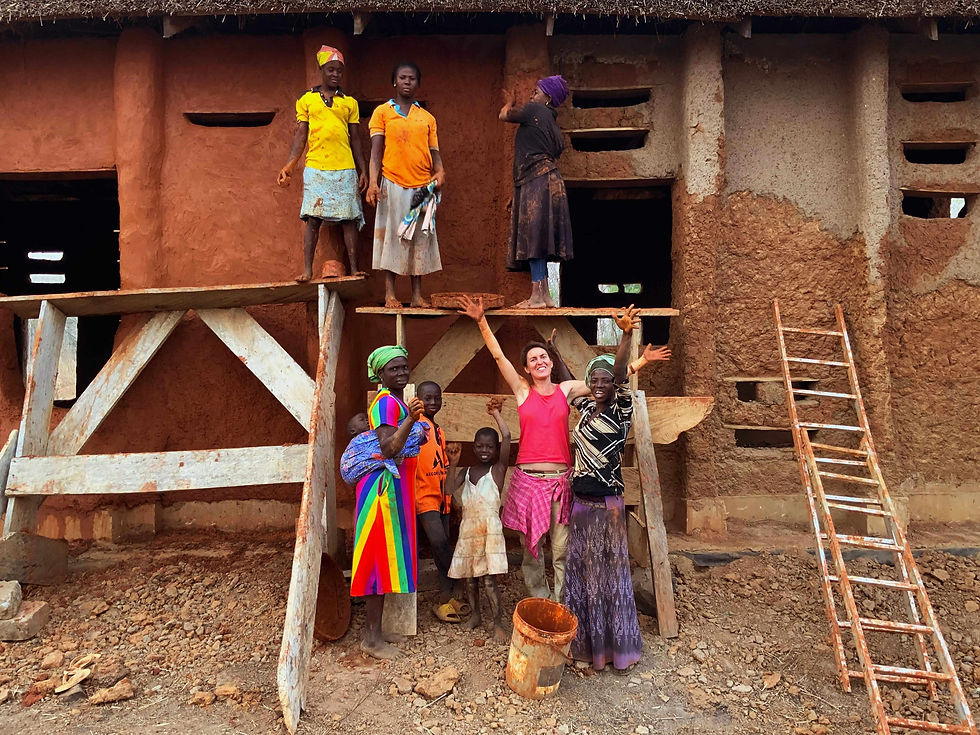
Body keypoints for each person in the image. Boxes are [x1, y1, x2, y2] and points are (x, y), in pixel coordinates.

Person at [459, 294, 591, 602]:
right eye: (533, 359)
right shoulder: (522, 392)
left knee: (560, 550)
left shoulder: (565, 390)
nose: (540, 361)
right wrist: (481, 321)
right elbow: (498, 357)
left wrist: (632, 358)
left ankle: (561, 605)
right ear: (527, 369)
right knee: (532, 552)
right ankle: (538, 602)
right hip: (528, 482)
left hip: (560, 482)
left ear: (552, 362)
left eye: (544, 357)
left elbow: (601, 382)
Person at [562, 306, 671, 673]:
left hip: (606, 505)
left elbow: (622, 372)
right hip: (580, 504)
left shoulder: (620, 408)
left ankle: (615, 652)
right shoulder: (586, 409)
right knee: (584, 577)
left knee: (608, 579)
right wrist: (555, 352)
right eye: (595, 379)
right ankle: (587, 649)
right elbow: (569, 385)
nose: (600, 384)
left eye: (605, 380)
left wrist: (625, 337)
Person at [350, 345, 424, 659]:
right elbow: (390, 447)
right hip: (381, 491)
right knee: (376, 561)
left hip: (392, 488)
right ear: (380, 374)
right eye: (394, 369)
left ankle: (378, 632)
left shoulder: (395, 401)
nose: (401, 373)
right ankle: (371, 638)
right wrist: (413, 420)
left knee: (387, 559)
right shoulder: (384, 404)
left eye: (404, 367)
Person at [278, 45, 368, 281]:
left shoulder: (349, 103)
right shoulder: (307, 100)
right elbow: (300, 135)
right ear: (321, 70)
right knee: (313, 218)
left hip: (345, 167)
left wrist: (363, 170)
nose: (335, 74)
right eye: (331, 70)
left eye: (339, 71)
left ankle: (354, 267)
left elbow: (355, 138)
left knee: (348, 218)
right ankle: (307, 270)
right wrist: (290, 165)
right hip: (316, 166)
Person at [365, 62, 446, 308]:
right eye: (402, 77)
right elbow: (376, 153)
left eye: (412, 78)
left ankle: (416, 295)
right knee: (393, 237)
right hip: (392, 183)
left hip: (422, 187)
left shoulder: (427, 118)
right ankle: (390, 294)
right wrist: (372, 183)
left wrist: (441, 174)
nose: (407, 82)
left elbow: (436, 158)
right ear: (394, 82)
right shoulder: (383, 112)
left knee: (419, 238)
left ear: (417, 83)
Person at [499, 75, 573, 308]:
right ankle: (545, 297)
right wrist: (518, 193)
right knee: (541, 238)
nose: (532, 95)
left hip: (537, 182)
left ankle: (536, 297)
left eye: (537, 92)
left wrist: (510, 102)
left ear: (548, 98)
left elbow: (503, 116)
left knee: (534, 238)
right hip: (549, 182)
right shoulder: (554, 125)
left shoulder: (533, 110)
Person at [446, 398, 511, 642]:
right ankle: (475, 615)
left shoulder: (498, 470)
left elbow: (506, 436)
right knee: (470, 579)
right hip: (468, 531)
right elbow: (449, 488)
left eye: (489, 447)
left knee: (488, 581)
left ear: (495, 450)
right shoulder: (467, 471)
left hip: (489, 533)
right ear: (474, 447)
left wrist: (495, 414)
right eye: (480, 446)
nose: (485, 450)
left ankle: (498, 623)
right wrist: (453, 464)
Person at [414, 381, 469, 623]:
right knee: (438, 542)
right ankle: (458, 582)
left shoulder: (439, 431)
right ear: (418, 399)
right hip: (424, 496)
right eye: (428, 398)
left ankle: (446, 597)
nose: (433, 402)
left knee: (443, 543)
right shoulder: (416, 427)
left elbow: (442, 465)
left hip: (443, 498)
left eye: (437, 398)